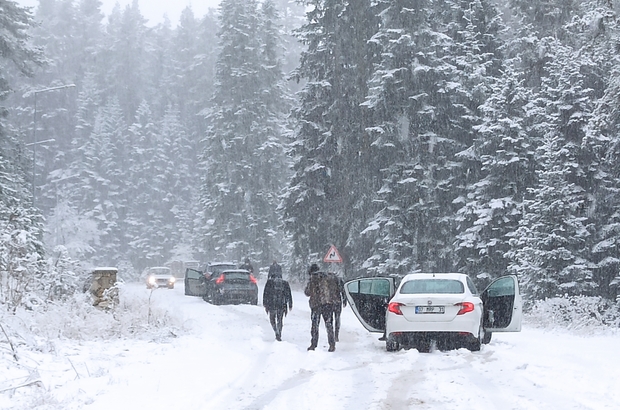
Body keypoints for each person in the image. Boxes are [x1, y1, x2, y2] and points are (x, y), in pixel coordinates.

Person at [304, 263, 341, 352]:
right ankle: (332, 345)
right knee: (329, 325)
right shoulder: (327, 277)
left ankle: (313, 344)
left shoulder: (313, 278)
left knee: (315, 325)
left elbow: (307, 292)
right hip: (327, 304)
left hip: (316, 305)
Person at [262, 261, 293, 341]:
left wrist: (265, 303)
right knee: (280, 319)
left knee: (272, 319)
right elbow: (288, 294)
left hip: (272, 304)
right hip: (281, 304)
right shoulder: (285, 283)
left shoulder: (269, 283)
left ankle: (276, 330)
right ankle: (279, 332)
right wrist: (290, 304)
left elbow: (265, 293)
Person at [332, 272, 347, 342]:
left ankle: (331, 334)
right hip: (337, 301)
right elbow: (343, 291)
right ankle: (336, 335)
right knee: (337, 318)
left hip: (329, 302)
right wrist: (344, 300)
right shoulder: (339, 280)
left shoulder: (326, 280)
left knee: (330, 319)